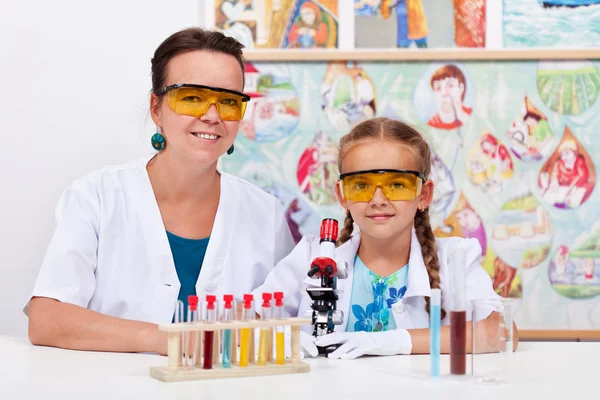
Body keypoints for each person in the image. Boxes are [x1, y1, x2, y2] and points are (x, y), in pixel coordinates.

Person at [24, 28, 295, 355]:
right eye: (192, 97)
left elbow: (288, 318)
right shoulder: (96, 196)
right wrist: (174, 340)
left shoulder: (265, 213)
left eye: (228, 101)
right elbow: (47, 319)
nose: (211, 116)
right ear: (156, 108)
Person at [253, 117, 519, 359]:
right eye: (361, 186)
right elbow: (245, 317)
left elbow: (503, 331)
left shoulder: (454, 259)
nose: (378, 200)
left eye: (397, 185)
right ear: (342, 195)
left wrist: (395, 341)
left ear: (424, 195)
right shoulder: (312, 257)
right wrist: (284, 338)